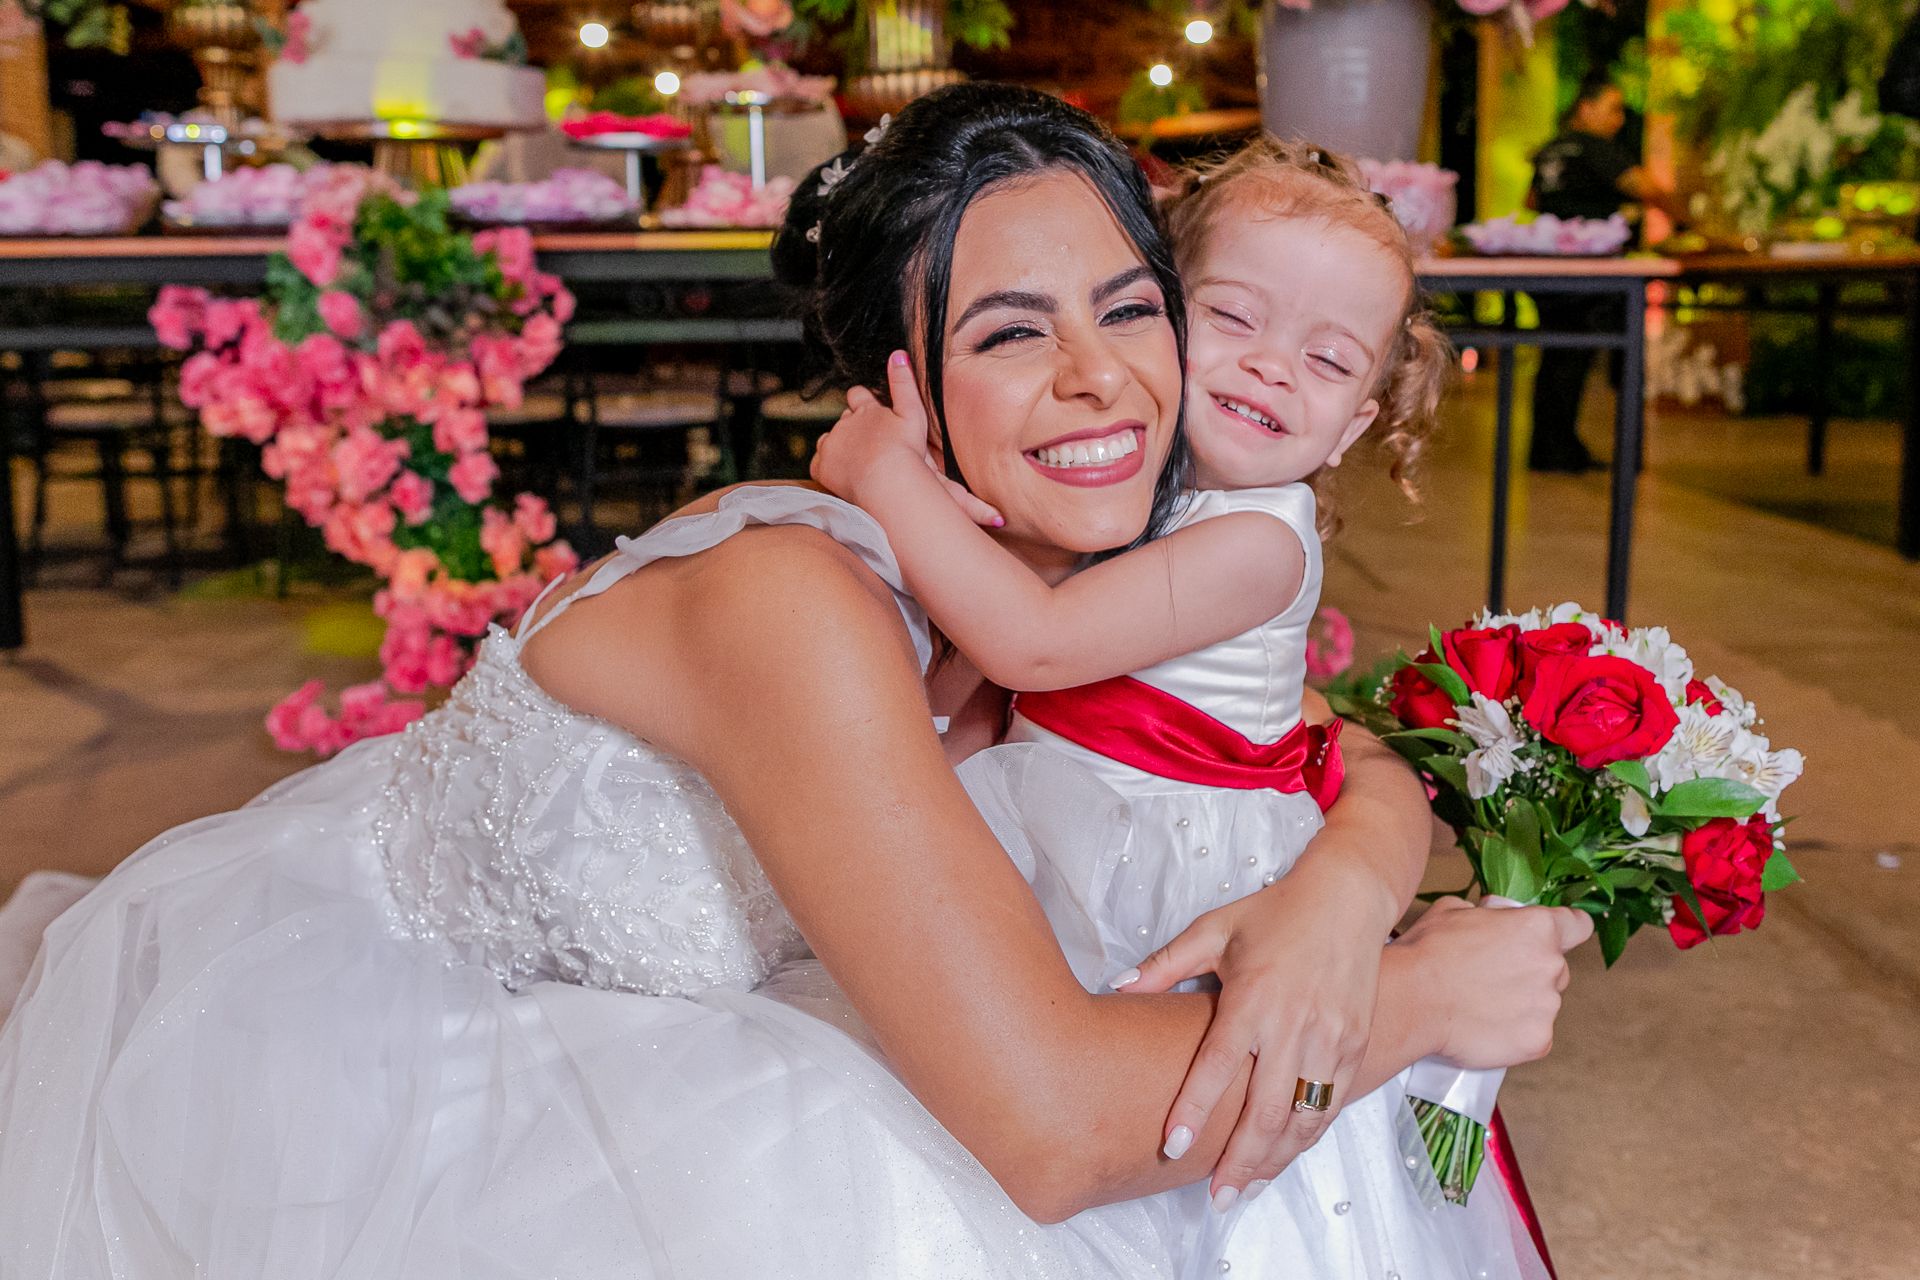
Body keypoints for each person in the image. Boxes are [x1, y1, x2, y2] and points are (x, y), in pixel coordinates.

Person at [0, 84, 1589, 1277]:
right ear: (900, 388)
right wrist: (1416, 999)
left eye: (1131, 312)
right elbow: (1051, 1131)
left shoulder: (1094, 556)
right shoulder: (795, 603)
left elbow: (1324, 744)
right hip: (430, 1094)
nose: (1100, 378)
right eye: (1008, 334)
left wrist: (1342, 900)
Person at [808, 135, 1544, 1278]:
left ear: (1356, 422)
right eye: (1234, 317)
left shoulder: (1259, 541)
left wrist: (883, 475)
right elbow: (973, 688)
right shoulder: (1144, 498)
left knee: (1162, 1114)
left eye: (1328, 358)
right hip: (1064, 803)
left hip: (1170, 858)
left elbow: (1033, 643)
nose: (1272, 368)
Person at [1526, 73, 1679, 473]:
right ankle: (1602, 453)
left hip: (1548, 267)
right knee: (1605, 358)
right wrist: (1686, 219)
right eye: (1613, 109)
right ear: (1586, 108)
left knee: (1558, 356)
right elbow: (1645, 188)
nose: (1618, 120)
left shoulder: (1551, 148)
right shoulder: (1597, 148)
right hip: (1591, 271)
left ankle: (1551, 448)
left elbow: (1531, 200)